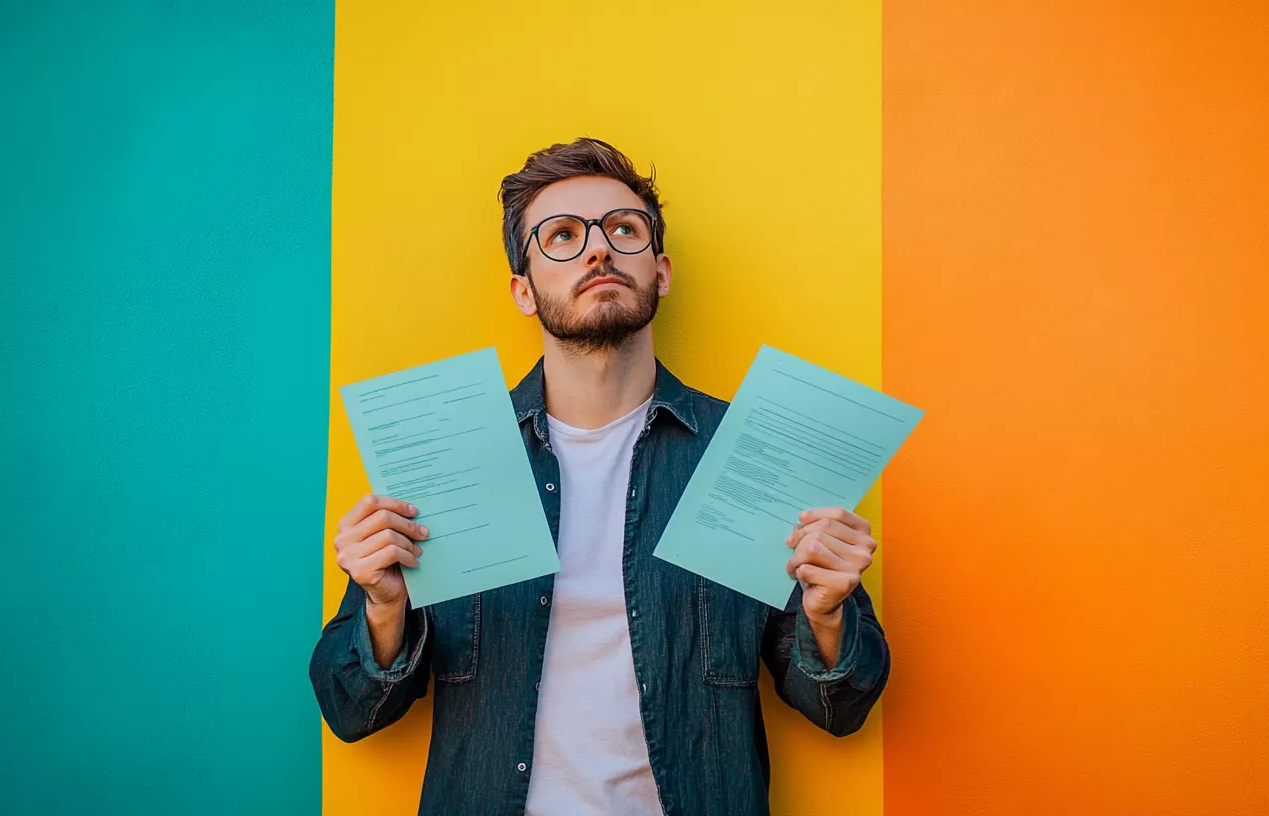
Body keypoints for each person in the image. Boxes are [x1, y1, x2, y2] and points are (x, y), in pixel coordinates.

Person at [310, 137, 890, 816]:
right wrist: (383, 608)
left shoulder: (749, 451)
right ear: (523, 291)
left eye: (623, 228)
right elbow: (351, 710)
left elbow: (841, 706)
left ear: (661, 270)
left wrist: (826, 616)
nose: (597, 249)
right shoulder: (451, 456)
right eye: (561, 235)